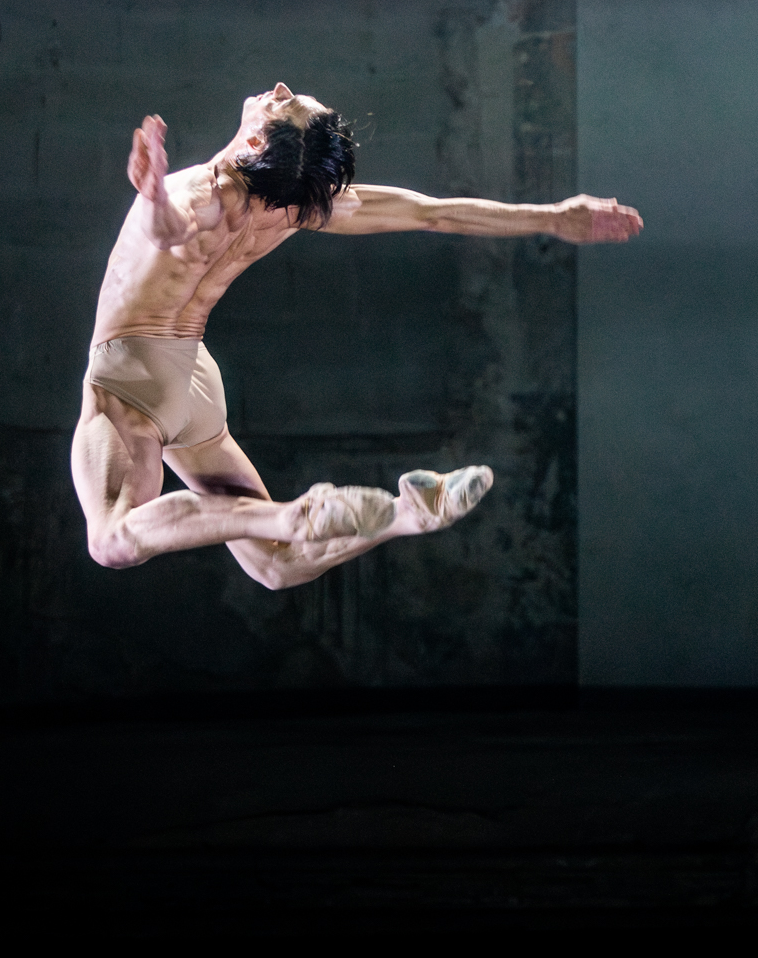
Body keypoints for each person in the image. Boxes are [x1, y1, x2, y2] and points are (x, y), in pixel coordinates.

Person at [72, 82, 642, 590]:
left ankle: (294, 515)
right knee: (275, 569)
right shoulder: (296, 207)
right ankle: (408, 514)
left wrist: (150, 196)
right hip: (193, 380)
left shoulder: (204, 190)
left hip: (135, 379)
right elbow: (433, 214)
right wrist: (553, 216)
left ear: (252, 147)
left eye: (284, 104)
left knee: (112, 541)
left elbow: (174, 227)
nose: (279, 87)